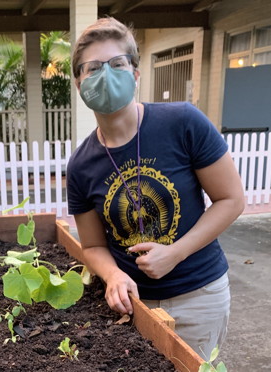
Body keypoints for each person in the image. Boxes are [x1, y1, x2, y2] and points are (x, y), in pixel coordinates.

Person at [66, 16, 245, 360]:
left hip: (198, 296)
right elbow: (91, 245)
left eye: (117, 63)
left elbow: (231, 199)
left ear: (134, 73)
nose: (105, 74)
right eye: (92, 68)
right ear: (79, 83)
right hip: (133, 306)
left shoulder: (183, 122)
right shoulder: (80, 165)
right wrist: (113, 275)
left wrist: (176, 252)